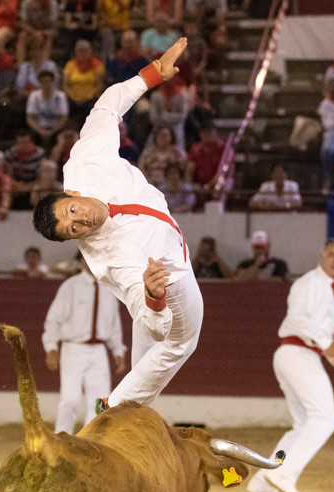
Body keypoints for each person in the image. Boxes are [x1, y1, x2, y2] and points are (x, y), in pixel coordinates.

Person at [32, 38, 200, 410]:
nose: (82, 220)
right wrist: (155, 297)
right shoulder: (107, 253)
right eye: (74, 230)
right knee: (180, 341)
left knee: (144, 363)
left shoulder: (84, 162)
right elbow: (153, 321)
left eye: (72, 211)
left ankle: (118, 414)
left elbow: (108, 106)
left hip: (164, 255)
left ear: (68, 194)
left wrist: (151, 75)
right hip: (169, 275)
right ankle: (116, 406)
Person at [245, 239, 334, 492]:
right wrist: (326, 345)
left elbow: (329, 337)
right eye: (332, 255)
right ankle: (285, 475)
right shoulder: (309, 284)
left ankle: (263, 482)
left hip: (299, 355)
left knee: (304, 424)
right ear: (320, 255)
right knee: (325, 419)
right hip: (298, 353)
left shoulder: (326, 287)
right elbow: (298, 321)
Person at [42, 263, 127, 433]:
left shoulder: (109, 288)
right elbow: (54, 320)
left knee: (100, 402)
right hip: (73, 348)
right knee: (70, 399)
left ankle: (92, 440)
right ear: (82, 261)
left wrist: (117, 350)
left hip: (98, 350)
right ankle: (62, 438)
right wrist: (51, 347)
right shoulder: (71, 286)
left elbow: (114, 324)